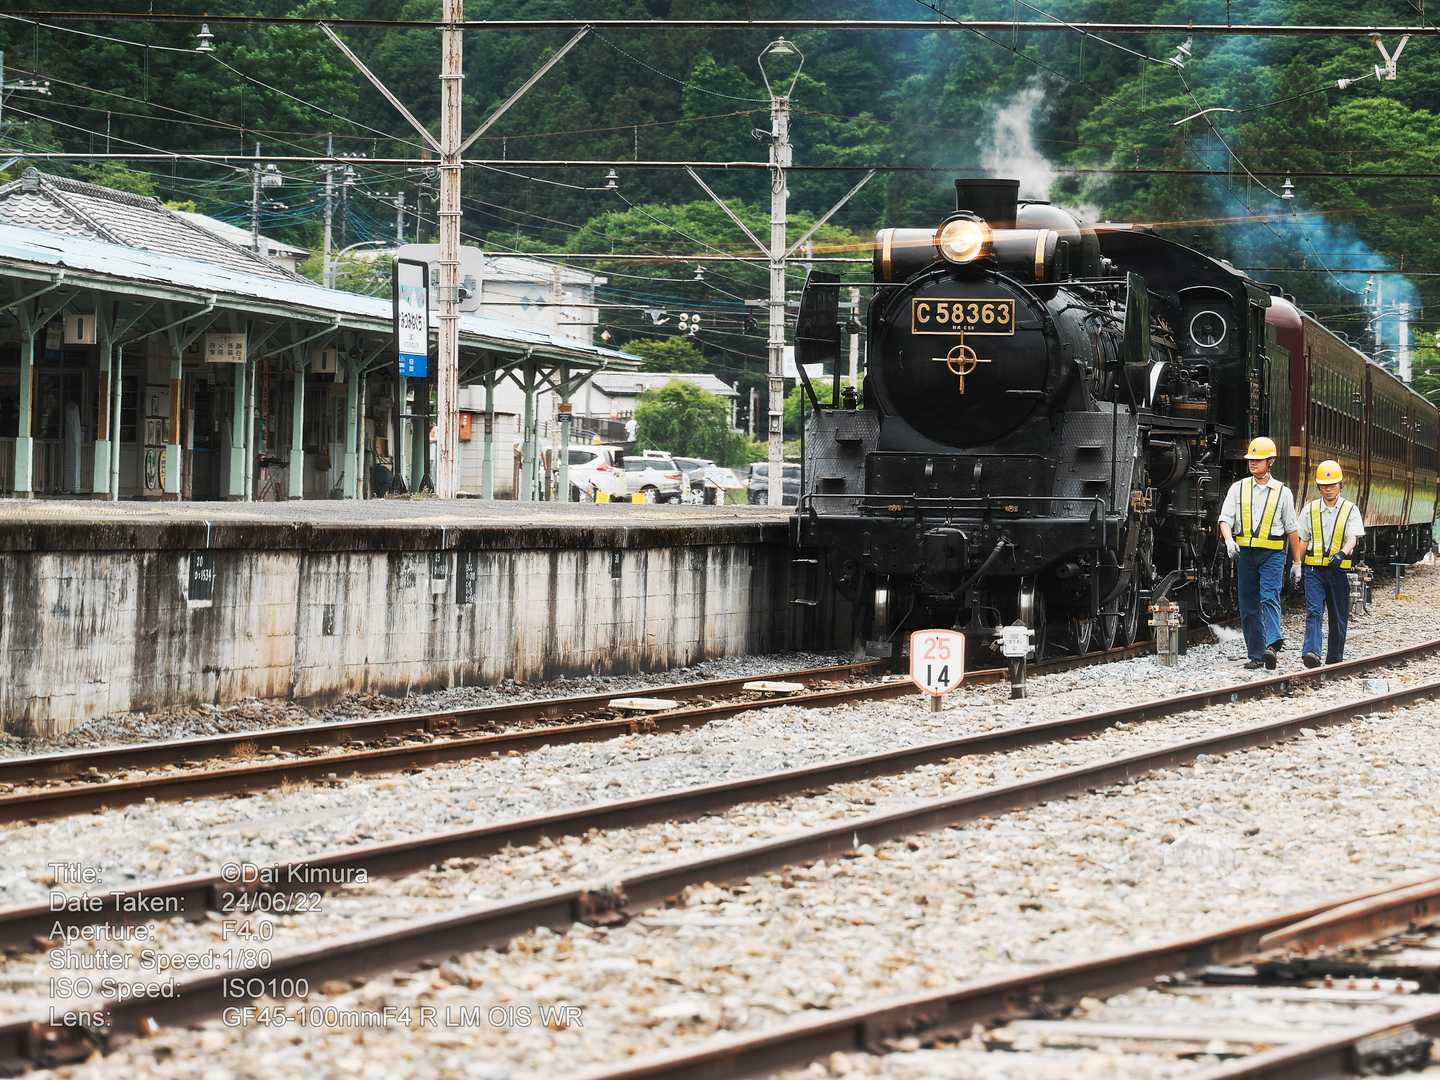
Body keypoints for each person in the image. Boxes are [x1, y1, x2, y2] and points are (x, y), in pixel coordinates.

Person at [1217, 436, 1299, 670]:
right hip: (1246, 555)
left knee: (1269, 596)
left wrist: (1297, 562)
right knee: (1248, 605)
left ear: (1270, 461)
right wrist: (1229, 540)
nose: (1252, 463)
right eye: (1251, 459)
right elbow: (1225, 519)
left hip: (1272, 554)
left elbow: (1292, 528)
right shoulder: (1238, 489)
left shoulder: (1283, 492)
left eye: (1258, 459)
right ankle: (1256, 655)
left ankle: (1272, 645)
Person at [1290, 460, 1364, 667]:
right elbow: (1303, 540)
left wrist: (1342, 553)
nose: (1328, 489)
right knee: (1314, 611)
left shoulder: (1350, 510)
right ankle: (1311, 652)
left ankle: (1334, 659)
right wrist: (1297, 564)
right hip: (1314, 570)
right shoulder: (1310, 510)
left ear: (1341, 485)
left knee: (1338, 616)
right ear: (1318, 487)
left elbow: (1353, 538)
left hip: (1338, 571)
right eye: (1323, 486)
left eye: (1332, 485)